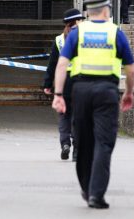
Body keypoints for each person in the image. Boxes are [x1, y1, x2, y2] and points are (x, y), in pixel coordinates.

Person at [52, 0, 134, 209]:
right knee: (104, 142)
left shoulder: (77, 33)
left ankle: (86, 187)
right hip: (106, 92)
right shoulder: (115, 33)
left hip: (80, 91)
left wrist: (58, 95)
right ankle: (96, 194)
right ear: (107, 10)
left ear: (88, 12)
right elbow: (130, 69)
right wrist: (129, 93)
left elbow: (62, 64)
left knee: (84, 141)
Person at [43, 8, 85, 161]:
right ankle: (76, 150)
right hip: (80, 80)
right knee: (77, 116)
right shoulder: (85, 37)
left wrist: (47, 84)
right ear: (78, 21)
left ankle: (65, 143)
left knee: (63, 115)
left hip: (63, 82)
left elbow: (52, 64)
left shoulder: (59, 39)